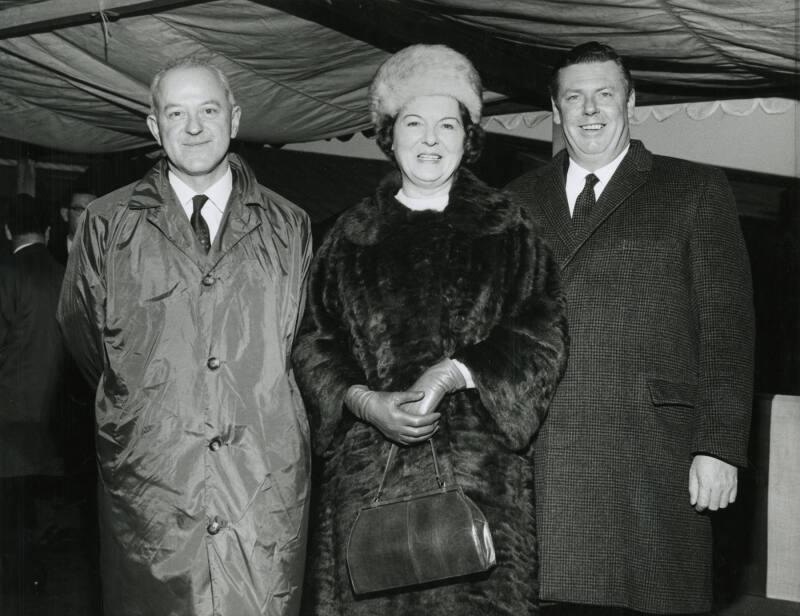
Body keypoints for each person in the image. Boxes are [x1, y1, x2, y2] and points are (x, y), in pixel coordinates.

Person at [292, 44, 568, 616]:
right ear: (388, 135)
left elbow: (543, 334)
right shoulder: (348, 237)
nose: (430, 139)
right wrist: (365, 402)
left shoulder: (509, 230)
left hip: (480, 488)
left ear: (470, 139)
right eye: (414, 123)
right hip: (370, 484)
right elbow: (314, 345)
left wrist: (455, 372)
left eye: (448, 124)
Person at [57, 54, 313, 616]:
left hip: (259, 483)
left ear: (235, 119)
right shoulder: (107, 222)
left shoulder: (289, 224)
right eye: (177, 113)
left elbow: (300, 340)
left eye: (208, 110)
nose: (194, 127)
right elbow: (84, 338)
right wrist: (147, 405)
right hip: (154, 481)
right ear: (155, 127)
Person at [506, 41, 755, 615]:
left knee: (654, 598)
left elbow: (728, 331)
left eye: (605, 95)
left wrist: (718, 447)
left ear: (631, 102)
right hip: (545, 454)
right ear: (555, 110)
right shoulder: (515, 201)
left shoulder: (693, 189)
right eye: (575, 97)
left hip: (652, 452)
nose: (590, 110)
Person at [0, 193, 67, 596]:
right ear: (47, 231)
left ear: (8, 231)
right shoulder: (68, 276)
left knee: (10, 535)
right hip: (54, 430)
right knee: (37, 534)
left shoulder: (5, 274)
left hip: (6, 430)